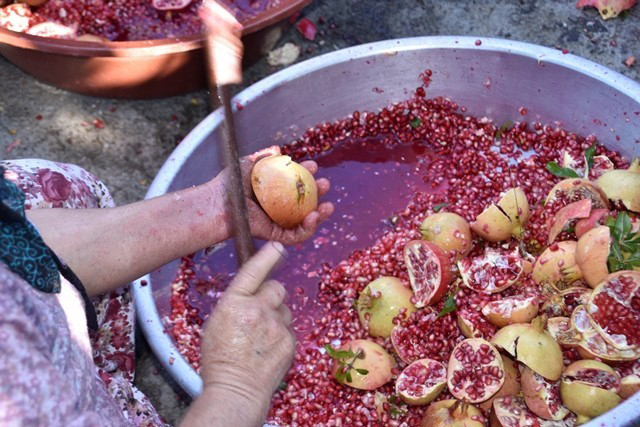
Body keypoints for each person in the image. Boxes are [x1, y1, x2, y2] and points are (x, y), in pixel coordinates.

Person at [0, 149, 332, 427]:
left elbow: (20, 249)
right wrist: (238, 389)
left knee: (60, 189)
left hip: (35, 322)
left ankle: (88, 339)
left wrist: (216, 211)